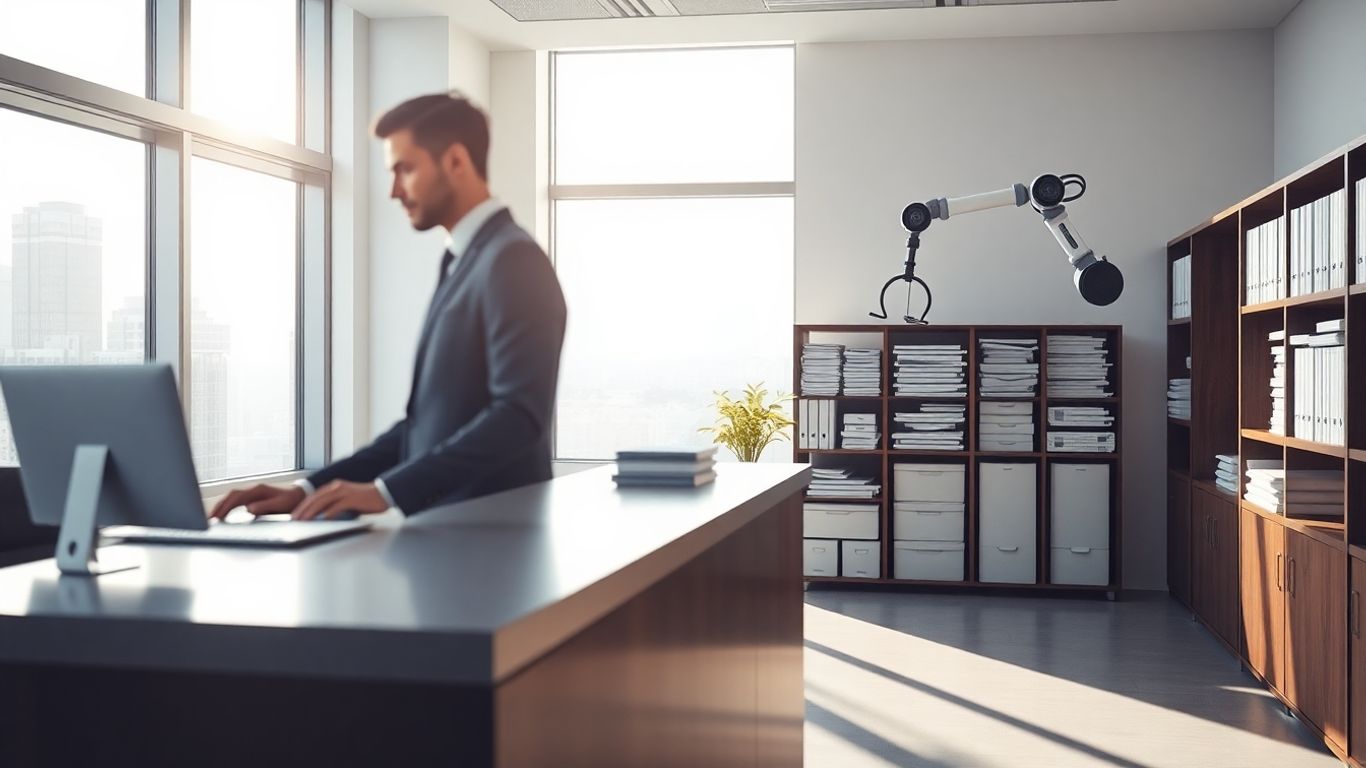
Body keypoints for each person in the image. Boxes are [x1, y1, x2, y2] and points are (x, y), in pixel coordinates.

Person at [209, 92, 567, 521]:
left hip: (492, 542)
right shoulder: (462, 261)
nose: (395, 191)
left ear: (455, 161)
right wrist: (309, 489)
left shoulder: (512, 260)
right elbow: (422, 429)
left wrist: (386, 493)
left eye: (406, 169)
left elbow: (517, 418)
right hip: (452, 539)